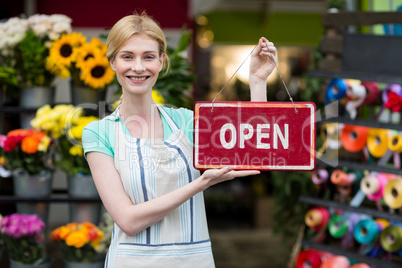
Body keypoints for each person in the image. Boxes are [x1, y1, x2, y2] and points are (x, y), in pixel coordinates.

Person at [82, 12, 277, 268]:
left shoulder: (187, 122)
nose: (138, 67)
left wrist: (258, 81)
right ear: (112, 62)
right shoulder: (99, 133)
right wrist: (199, 184)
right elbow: (128, 221)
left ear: (162, 62)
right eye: (127, 56)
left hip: (194, 260)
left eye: (148, 57)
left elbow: (251, 148)